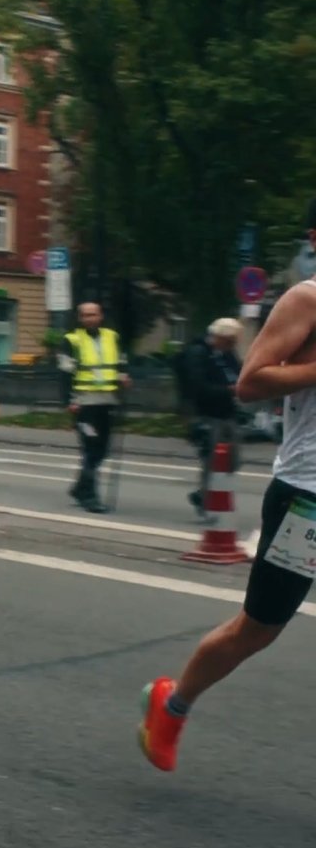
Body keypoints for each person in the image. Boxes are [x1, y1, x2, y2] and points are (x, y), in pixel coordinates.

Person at [140, 270, 316, 772]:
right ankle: (172, 706)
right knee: (258, 629)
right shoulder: (307, 298)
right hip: (308, 497)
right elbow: (251, 381)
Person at [59, 303, 130, 513]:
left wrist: (123, 376)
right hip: (84, 405)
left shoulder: (112, 337)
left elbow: (121, 363)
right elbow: (64, 374)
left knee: (102, 450)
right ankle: (90, 497)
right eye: (85, 315)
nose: (90, 319)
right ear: (80, 318)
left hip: (107, 401)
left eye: (93, 314)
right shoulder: (72, 340)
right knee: (91, 449)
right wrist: (69, 401)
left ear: (101, 316)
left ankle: (80, 488)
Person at [182, 317, 243, 517]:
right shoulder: (199, 353)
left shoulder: (228, 354)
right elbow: (198, 386)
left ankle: (202, 495)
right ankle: (207, 504)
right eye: (230, 340)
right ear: (219, 337)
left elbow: (239, 371)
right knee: (211, 460)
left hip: (228, 412)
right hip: (207, 413)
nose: (233, 344)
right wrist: (228, 390)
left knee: (233, 460)